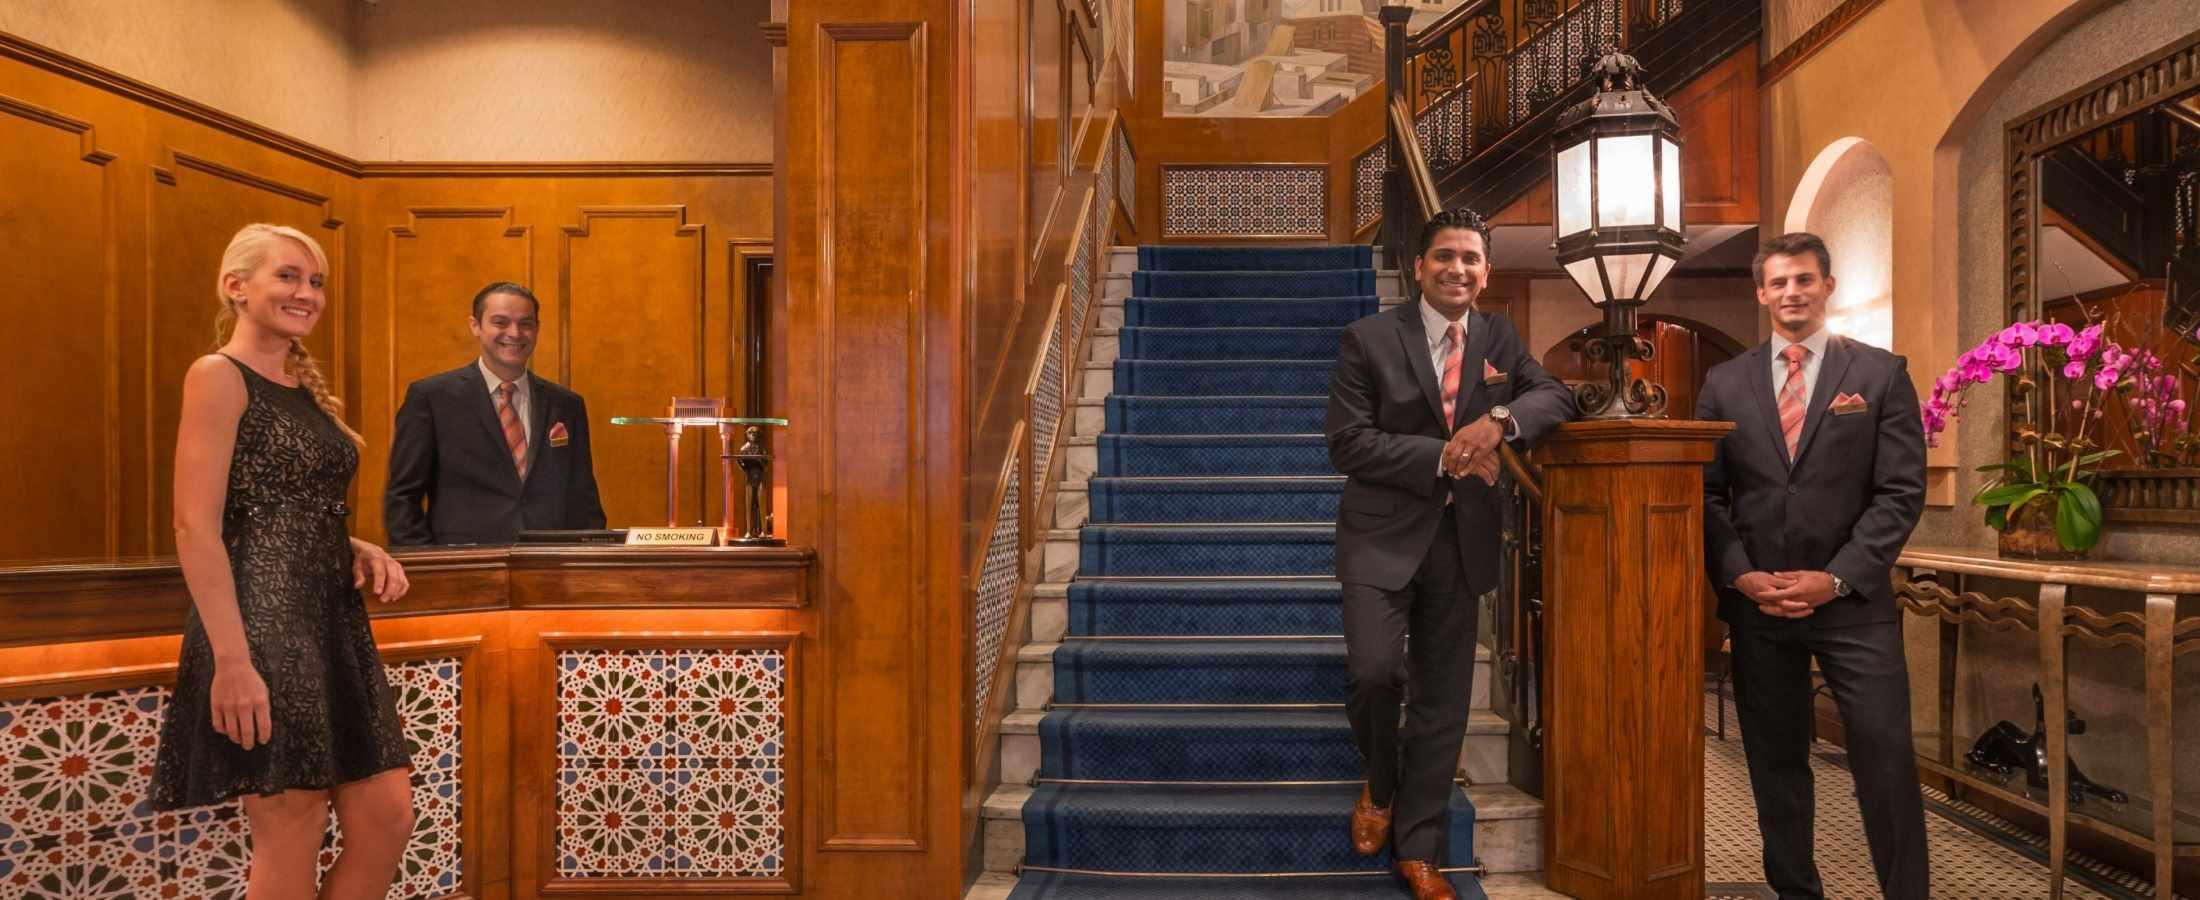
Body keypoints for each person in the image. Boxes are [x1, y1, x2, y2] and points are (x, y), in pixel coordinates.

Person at [148, 223, 416, 897]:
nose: (306, 293)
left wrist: (353, 544)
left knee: (387, 817)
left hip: (332, 624)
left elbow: (278, 504)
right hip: (260, 629)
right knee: (293, 827)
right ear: (236, 287)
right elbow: (193, 525)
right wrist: (234, 664)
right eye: (288, 276)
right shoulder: (216, 375)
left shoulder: (297, 387)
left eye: (316, 281)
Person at [1325, 208, 1574, 900]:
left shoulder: (1499, 335)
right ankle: (1380, 781)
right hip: (1379, 535)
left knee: (1443, 700)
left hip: (1461, 541)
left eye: (1470, 258)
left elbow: (1553, 394)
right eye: (1444, 256)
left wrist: (1499, 420)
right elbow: (1347, 442)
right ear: (1419, 266)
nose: (1457, 269)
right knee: (1374, 672)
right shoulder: (1368, 338)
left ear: (1486, 271)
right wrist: (1445, 454)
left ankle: (1420, 846)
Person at [1697, 231, 1929, 899]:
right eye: (1778, 281)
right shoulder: (1725, 382)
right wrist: (1739, 573)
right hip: (1759, 605)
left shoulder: (1880, 374)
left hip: (1854, 606)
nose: (1791, 291)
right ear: (1761, 292)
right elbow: (1707, 495)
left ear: (1828, 286)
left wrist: (1835, 578)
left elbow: (1900, 493)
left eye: (1804, 279)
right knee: (1774, 763)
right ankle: (1796, 892)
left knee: (1885, 756)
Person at [384, 282, 607, 545]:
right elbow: (403, 498)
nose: (515, 333)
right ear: (475, 326)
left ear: (537, 329)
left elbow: (583, 498)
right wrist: (426, 567)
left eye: (526, 323)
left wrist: (590, 562)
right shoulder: (431, 398)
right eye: (500, 322)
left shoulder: (567, 405)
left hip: (549, 567)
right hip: (465, 568)